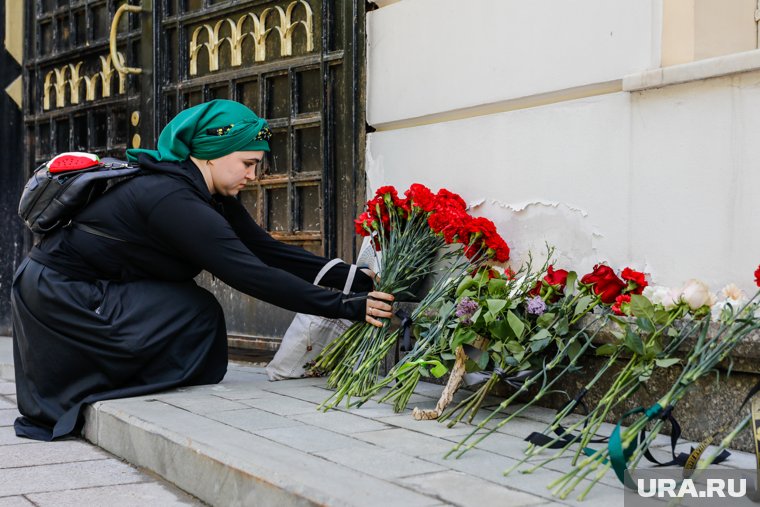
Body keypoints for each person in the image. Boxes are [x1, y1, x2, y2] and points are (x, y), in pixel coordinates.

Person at [11, 99, 394, 441]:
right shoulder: (173, 198)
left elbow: (265, 250)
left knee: (195, 311)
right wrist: (348, 308)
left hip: (78, 287)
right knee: (194, 312)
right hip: (60, 296)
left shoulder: (202, 191)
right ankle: (98, 377)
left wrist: (354, 280)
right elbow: (249, 274)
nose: (253, 176)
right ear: (213, 153)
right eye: (247, 163)